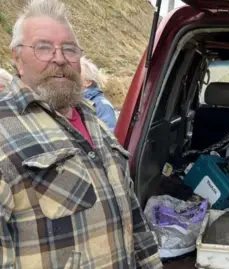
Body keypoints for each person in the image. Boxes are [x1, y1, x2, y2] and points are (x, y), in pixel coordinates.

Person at [0, 0, 162, 268]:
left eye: (69, 49)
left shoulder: (93, 120)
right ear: (17, 59)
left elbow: (133, 221)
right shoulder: (5, 131)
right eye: (43, 47)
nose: (60, 58)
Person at [81, 56, 117, 131]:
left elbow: (108, 138)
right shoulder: (73, 102)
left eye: (77, 73)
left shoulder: (103, 106)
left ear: (87, 82)